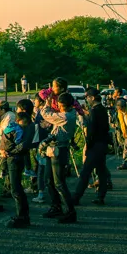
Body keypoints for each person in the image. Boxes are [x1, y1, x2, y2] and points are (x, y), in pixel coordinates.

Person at [40, 92, 78, 223]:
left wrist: (47, 104)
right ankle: (56, 206)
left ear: (69, 106)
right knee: (49, 180)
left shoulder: (67, 116)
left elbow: (46, 114)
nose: (60, 108)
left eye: (62, 106)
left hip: (60, 150)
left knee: (59, 183)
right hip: (52, 148)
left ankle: (70, 211)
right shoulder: (65, 114)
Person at [74, 89, 112, 205]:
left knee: (85, 172)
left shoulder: (94, 111)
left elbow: (91, 131)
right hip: (103, 143)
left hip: (95, 145)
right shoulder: (102, 109)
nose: (86, 99)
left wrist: (88, 146)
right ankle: (101, 196)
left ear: (92, 97)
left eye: (87, 97)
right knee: (101, 171)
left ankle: (76, 197)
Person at [0, 99, 33, 228]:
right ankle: (23, 215)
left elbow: (23, 145)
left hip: (15, 158)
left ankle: (22, 216)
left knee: (16, 188)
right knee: (16, 187)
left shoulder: (27, 126)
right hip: (15, 157)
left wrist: (9, 151)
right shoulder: (24, 126)